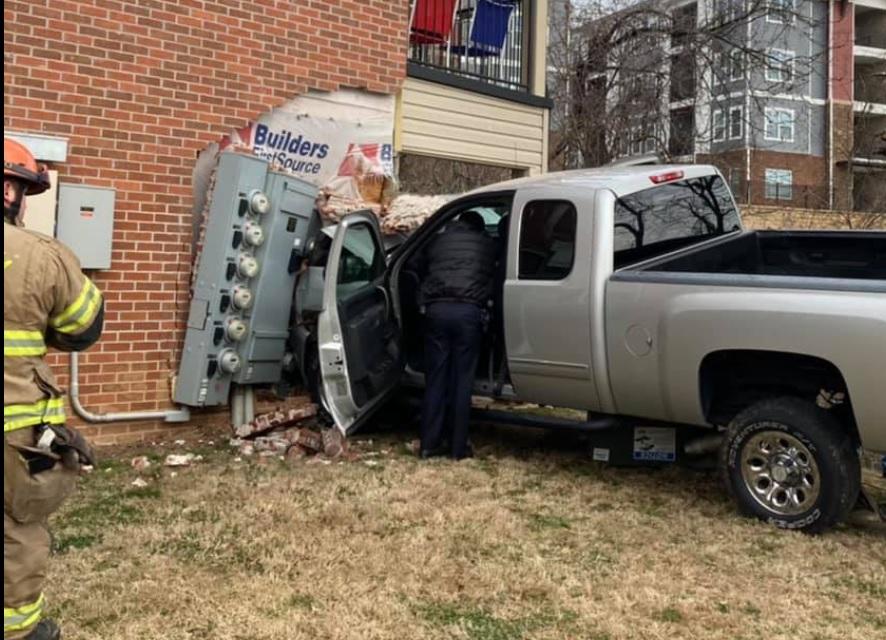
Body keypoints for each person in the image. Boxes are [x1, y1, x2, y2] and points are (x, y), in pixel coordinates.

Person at [4, 138, 104, 640]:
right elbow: (83, 327)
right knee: (14, 531)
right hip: (13, 433)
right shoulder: (41, 256)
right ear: (9, 189)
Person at [418, 210, 497, 460]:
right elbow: (496, 272)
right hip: (468, 313)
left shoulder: (437, 240)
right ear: (479, 228)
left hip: (437, 311)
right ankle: (457, 447)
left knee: (436, 379)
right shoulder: (486, 244)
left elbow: (418, 265)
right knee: (462, 381)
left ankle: (428, 445)